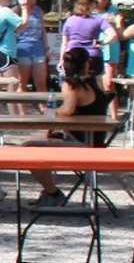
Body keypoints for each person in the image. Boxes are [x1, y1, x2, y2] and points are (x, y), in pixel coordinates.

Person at [24, 47, 117, 202]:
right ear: (87, 63)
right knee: (40, 143)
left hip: (81, 144)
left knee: (29, 149)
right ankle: (50, 193)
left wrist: (51, 110)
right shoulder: (96, 81)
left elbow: (68, 109)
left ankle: (52, 193)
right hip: (97, 141)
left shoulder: (71, 85)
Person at [14, 0, 48, 92]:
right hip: (22, 47)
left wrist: (46, 48)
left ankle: (44, 107)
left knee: (41, 83)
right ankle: (21, 109)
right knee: (22, 83)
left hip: (38, 48)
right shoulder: (17, 10)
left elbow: (42, 30)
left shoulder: (38, 10)